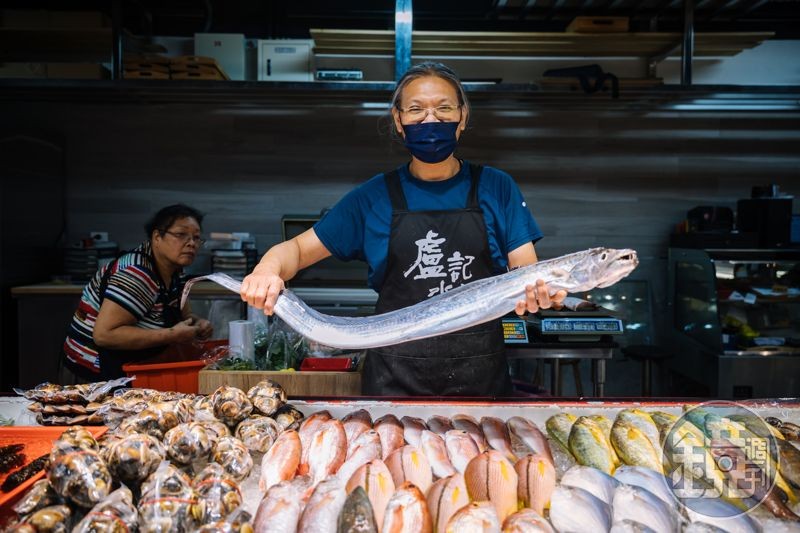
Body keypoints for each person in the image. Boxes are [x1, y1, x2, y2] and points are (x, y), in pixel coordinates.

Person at [241, 61, 565, 396]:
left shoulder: (497, 187)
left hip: (480, 381)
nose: (430, 119)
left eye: (444, 108)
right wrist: (267, 269)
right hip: (394, 380)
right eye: (416, 110)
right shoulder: (373, 197)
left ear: (463, 117)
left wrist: (538, 290)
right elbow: (294, 250)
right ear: (398, 120)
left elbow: (526, 269)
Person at [61, 204, 213, 382]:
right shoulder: (137, 274)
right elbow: (104, 335)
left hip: (131, 369)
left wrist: (197, 323)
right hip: (92, 374)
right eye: (181, 235)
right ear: (157, 237)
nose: (191, 243)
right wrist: (173, 334)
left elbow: (183, 316)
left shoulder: (175, 272)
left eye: (196, 237)